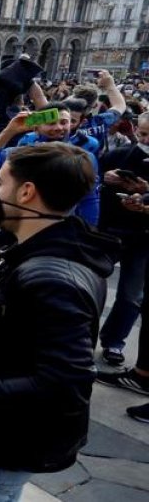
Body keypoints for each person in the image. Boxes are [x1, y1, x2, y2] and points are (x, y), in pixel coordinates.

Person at [0, 143, 116, 501]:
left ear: (27, 192)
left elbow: (63, 384)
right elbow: (3, 307)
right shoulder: (37, 250)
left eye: (0, 184)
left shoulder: (53, 276)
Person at [0, 106, 101, 225]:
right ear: (37, 127)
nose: (58, 127)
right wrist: (10, 130)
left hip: (60, 228)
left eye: (64, 122)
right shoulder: (24, 152)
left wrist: (87, 229)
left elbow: (89, 199)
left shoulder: (84, 157)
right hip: (21, 224)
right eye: (51, 123)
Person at [95, 113, 149, 366]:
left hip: (143, 238)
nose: (147, 140)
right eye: (144, 134)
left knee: (131, 296)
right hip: (111, 231)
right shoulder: (117, 156)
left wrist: (146, 194)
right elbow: (92, 187)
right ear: (136, 130)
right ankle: (81, 338)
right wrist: (105, 181)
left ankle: (114, 341)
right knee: (91, 286)